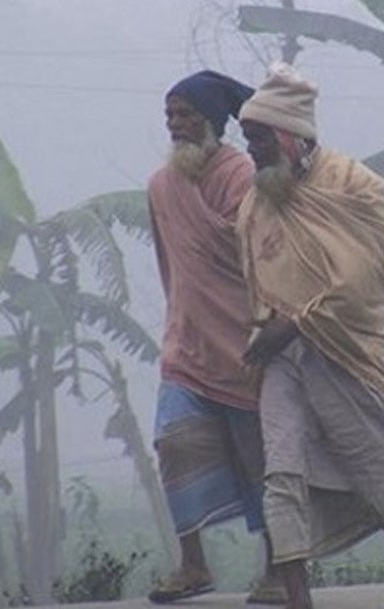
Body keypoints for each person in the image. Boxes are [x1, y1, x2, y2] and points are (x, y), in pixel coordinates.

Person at [236, 62, 384, 609]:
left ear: (291, 133)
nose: (251, 148)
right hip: (280, 358)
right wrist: (267, 331)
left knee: (372, 469)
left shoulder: (355, 184)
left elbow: (360, 276)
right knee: (280, 472)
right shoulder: (257, 200)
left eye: (258, 137)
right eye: (247, 137)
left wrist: (296, 323)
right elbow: (257, 272)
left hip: (341, 350)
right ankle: (299, 600)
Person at [145, 70, 284, 605]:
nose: (177, 125)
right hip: (186, 347)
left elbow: (263, 259)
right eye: (170, 116)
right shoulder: (160, 187)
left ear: (213, 122)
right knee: (174, 446)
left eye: (187, 115)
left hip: (244, 347)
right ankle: (193, 566)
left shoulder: (242, 176)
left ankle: (279, 570)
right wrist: (183, 317)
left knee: (261, 462)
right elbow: (171, 266)